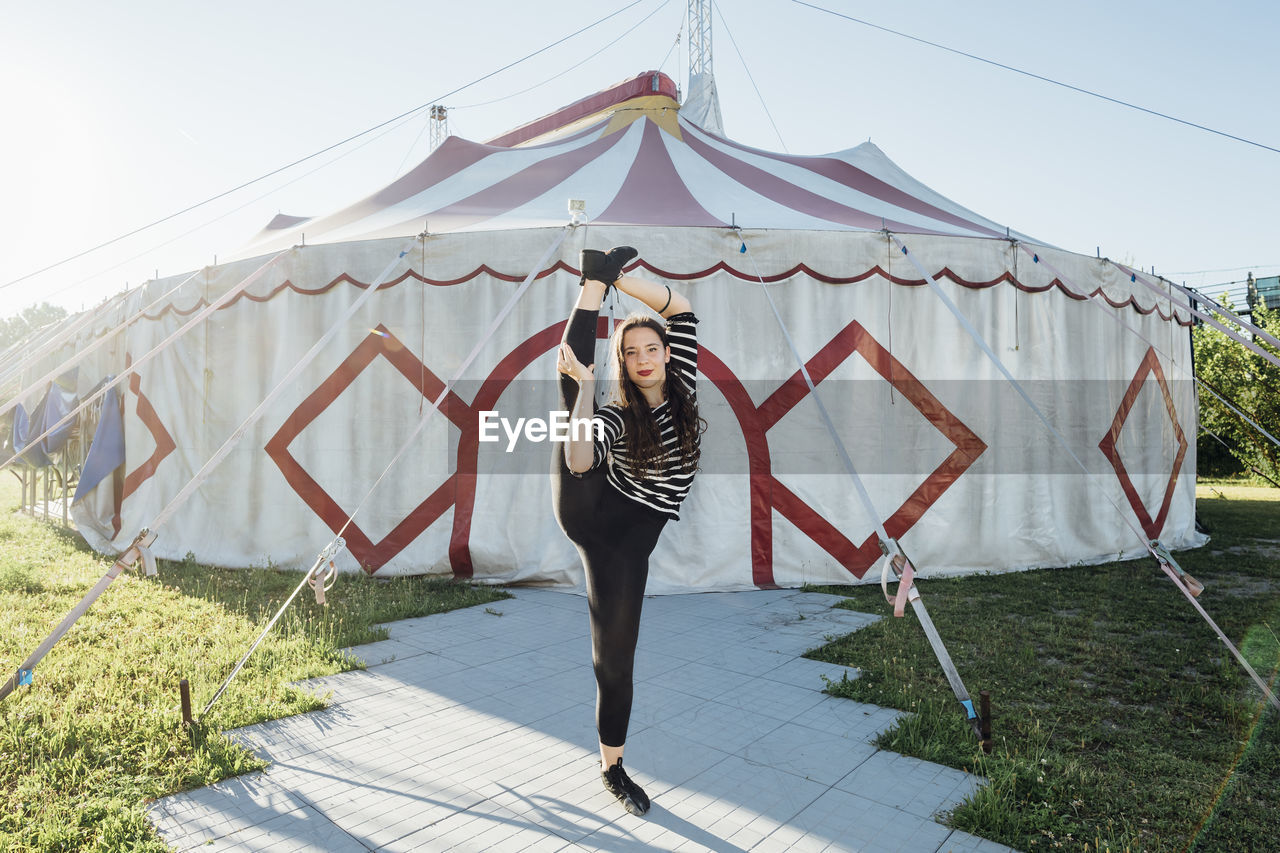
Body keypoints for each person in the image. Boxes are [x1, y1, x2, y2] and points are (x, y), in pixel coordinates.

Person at [553, 246, 704, 816]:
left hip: (636, 536)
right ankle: (588, 288)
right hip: (593, 511)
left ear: (667, 355)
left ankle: (610, 765)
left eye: (651, 349)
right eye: (631, 352)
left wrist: (623, 280)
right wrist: (589, 389)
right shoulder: (618, 413)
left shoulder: (682, 384)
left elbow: (682, 306)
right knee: (574, 395)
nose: (642, 359)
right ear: (623, 362)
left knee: (618, 660)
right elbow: (581, 462)